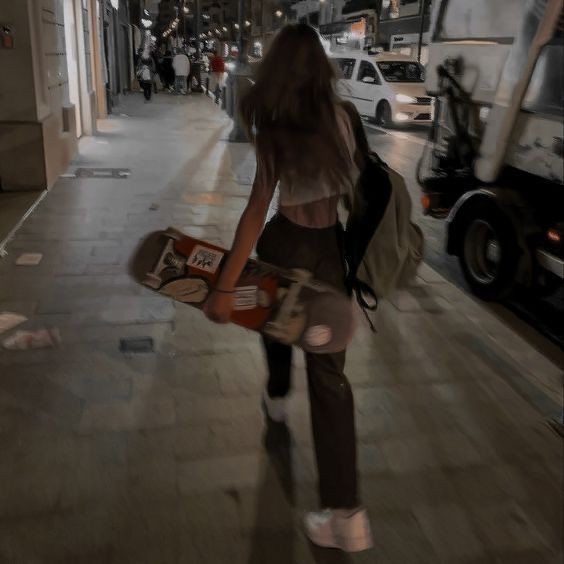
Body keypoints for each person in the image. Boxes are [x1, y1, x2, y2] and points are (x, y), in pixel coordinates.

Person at [203, 24, 373, 553]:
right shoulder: (345, 119)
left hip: (284, 242)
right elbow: (360, 195)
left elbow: (257, 210)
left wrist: (225, 289)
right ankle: (348, 515)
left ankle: (276, 396)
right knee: (331, 380)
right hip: (329, 249)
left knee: (275, 328)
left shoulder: (276, 124)